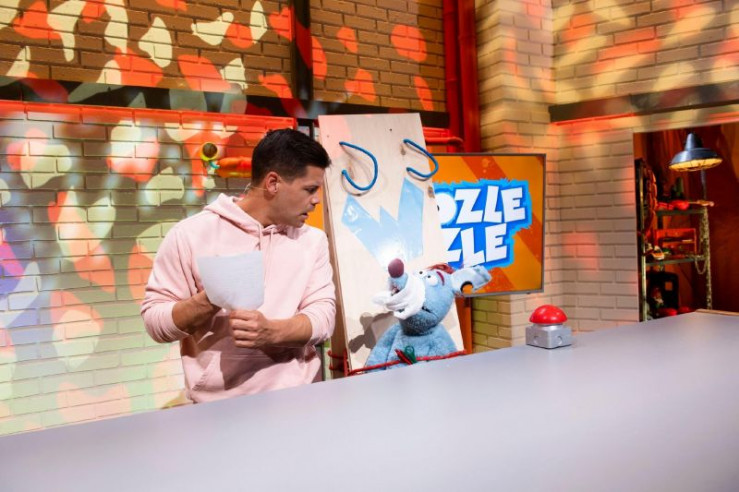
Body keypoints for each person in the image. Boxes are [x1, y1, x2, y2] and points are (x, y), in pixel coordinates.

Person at [141, 128, 335, 403]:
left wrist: (271, 332)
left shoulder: (312, 240)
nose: (316, 200)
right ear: (273, 183)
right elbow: (155, 323)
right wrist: (211, 299)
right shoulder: (190, 235)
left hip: (297, 399)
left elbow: (324, 318)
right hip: (218, 408)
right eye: (310, 189)